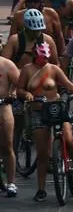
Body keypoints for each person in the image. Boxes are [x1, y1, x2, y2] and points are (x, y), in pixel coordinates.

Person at [16, 41, 73, 202]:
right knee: (43, 153)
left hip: (56, 107)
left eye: (47, 57)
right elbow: (19, 89)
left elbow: (67, 84)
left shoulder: (53, 69)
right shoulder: (27, 70)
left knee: (69, 140)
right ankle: (41, 189)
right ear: (35, 56)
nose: (45, 60)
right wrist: (26, 94)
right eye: (43, 57)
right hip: (38, 111)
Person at [0, 51, 20, 197]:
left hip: (3, 108)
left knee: (7, 146)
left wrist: (13, 92)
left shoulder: (6, 64)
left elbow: (21, 84)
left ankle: (11, 182)